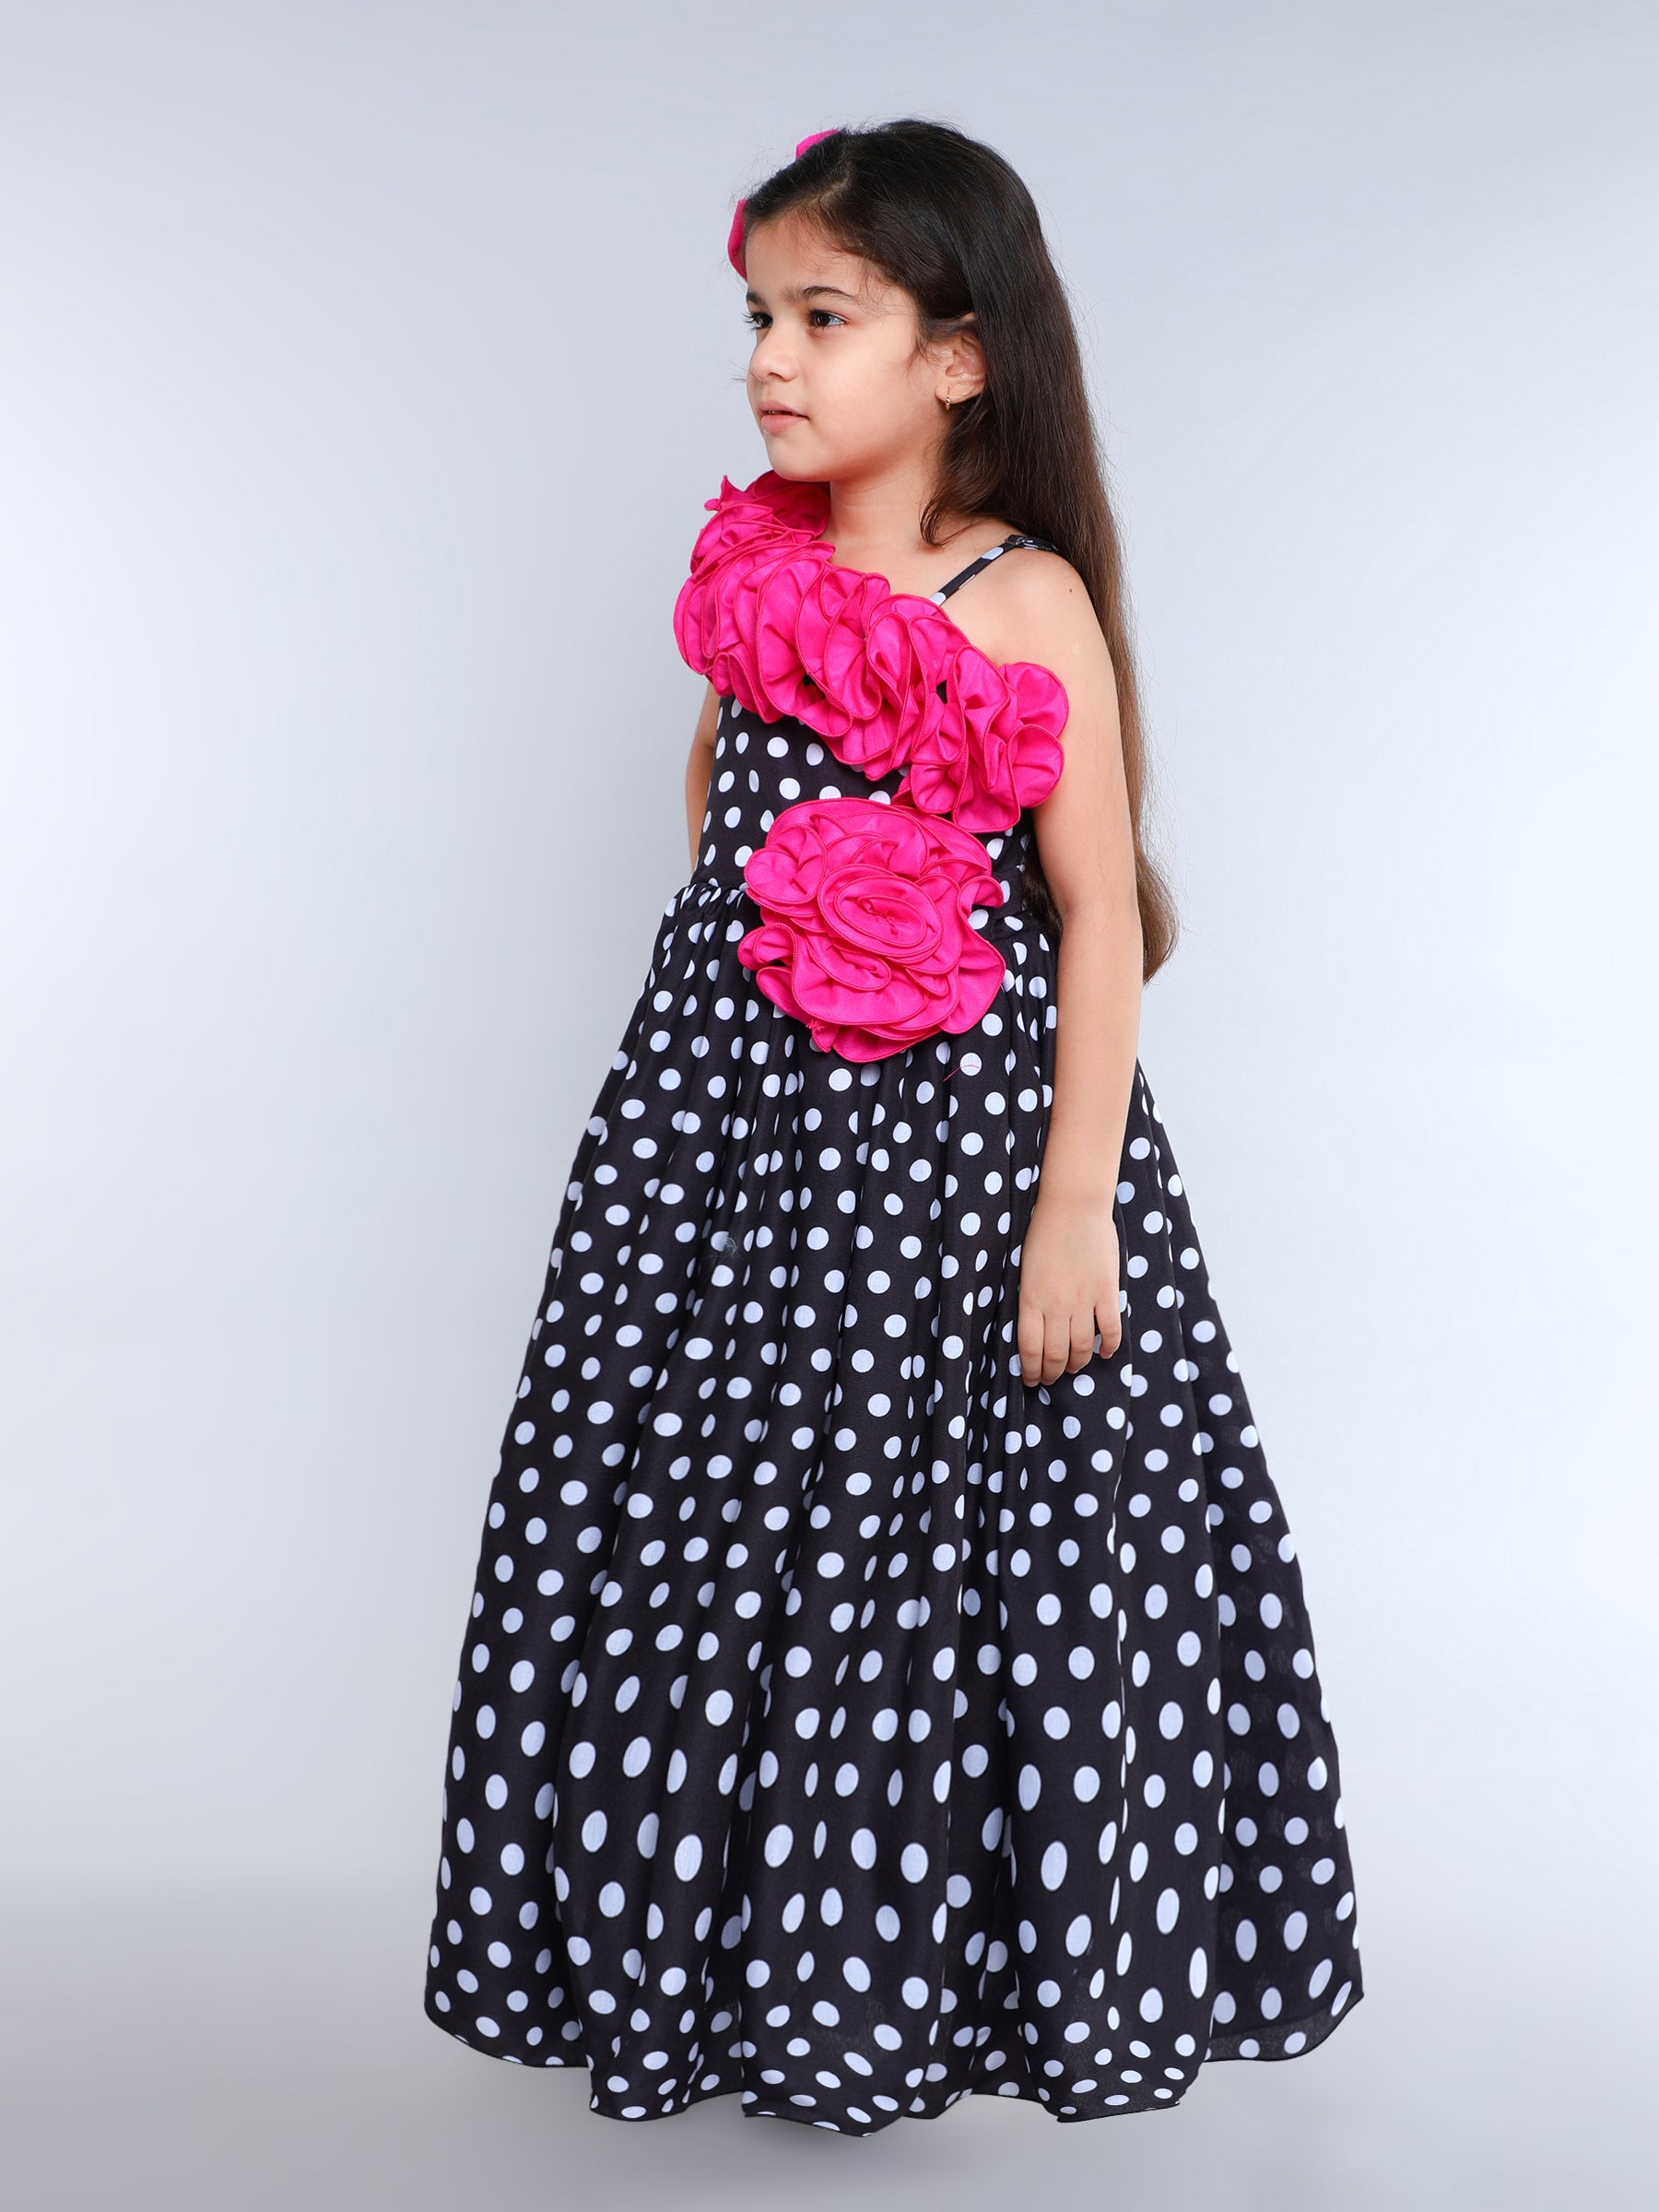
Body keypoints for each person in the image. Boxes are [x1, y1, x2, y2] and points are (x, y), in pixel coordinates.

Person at [422, 118, 1362, 2134]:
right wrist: (731, 1068)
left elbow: (1096, 912)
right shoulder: (755, 580)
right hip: (737, 1167)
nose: (771, 357)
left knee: (947, 1578)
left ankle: (907, 2000)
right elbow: (718, 826)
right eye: (758, 316)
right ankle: (732, 1988)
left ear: (957, 354)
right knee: (700, 1560)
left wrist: (1071, 1206)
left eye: (823, 317)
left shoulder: (1022, 602)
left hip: (958, 1180)